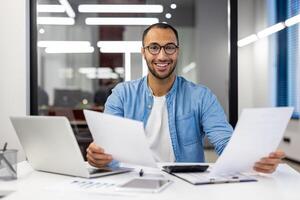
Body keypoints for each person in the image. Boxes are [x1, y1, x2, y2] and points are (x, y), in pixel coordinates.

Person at [86, 23, 285, 174]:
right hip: (132, 179)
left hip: (185, 183)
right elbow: (107, 148)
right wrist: (98, 157)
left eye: (169, 47)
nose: (162, 56)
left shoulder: (201, 96)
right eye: (154, 47)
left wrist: (253, 159)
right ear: (143, 52)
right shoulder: (121, 94)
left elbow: (225, 142)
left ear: (177, 51)